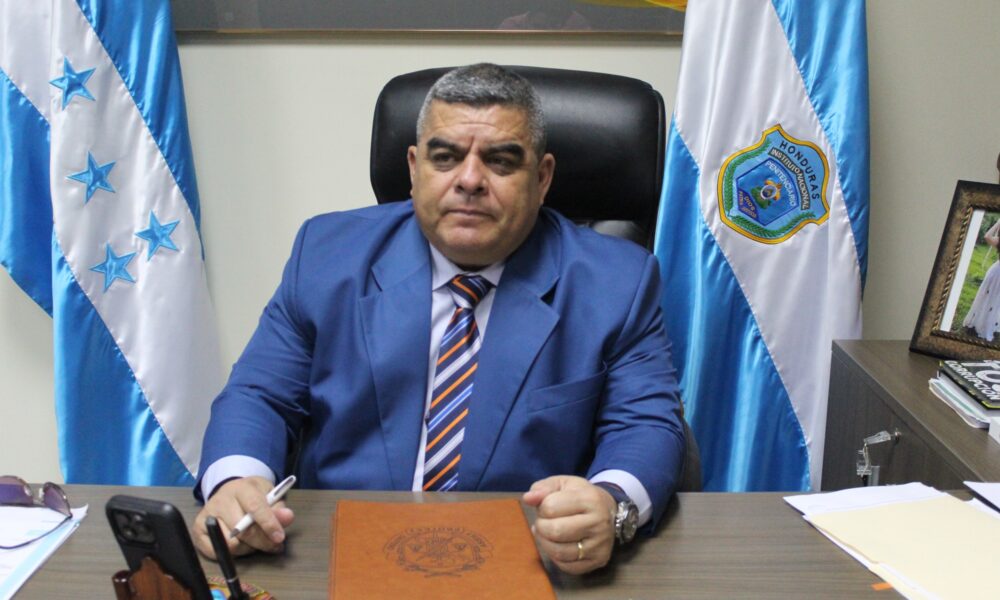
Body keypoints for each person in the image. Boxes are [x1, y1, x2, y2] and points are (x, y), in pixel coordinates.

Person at [191, 63, 685, 575]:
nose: (469, 180)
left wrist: (611, 502)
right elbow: (259, 395)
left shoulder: (617, 282)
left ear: (542, 178)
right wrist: (236, 482)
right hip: (336, 549)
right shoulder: (325, 255)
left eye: (500, 161)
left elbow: (646, 423)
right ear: (413, 168)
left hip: (528, 558)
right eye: (445, 157)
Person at [963, 218, 1000, 341]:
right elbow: (987, 237)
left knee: (993, 300)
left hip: (996, 272)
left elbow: (987, 236)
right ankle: (981, 323)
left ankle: (986, 323)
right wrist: (998, 223)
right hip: (996, 273)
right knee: (990, 298)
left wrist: (998, 223)